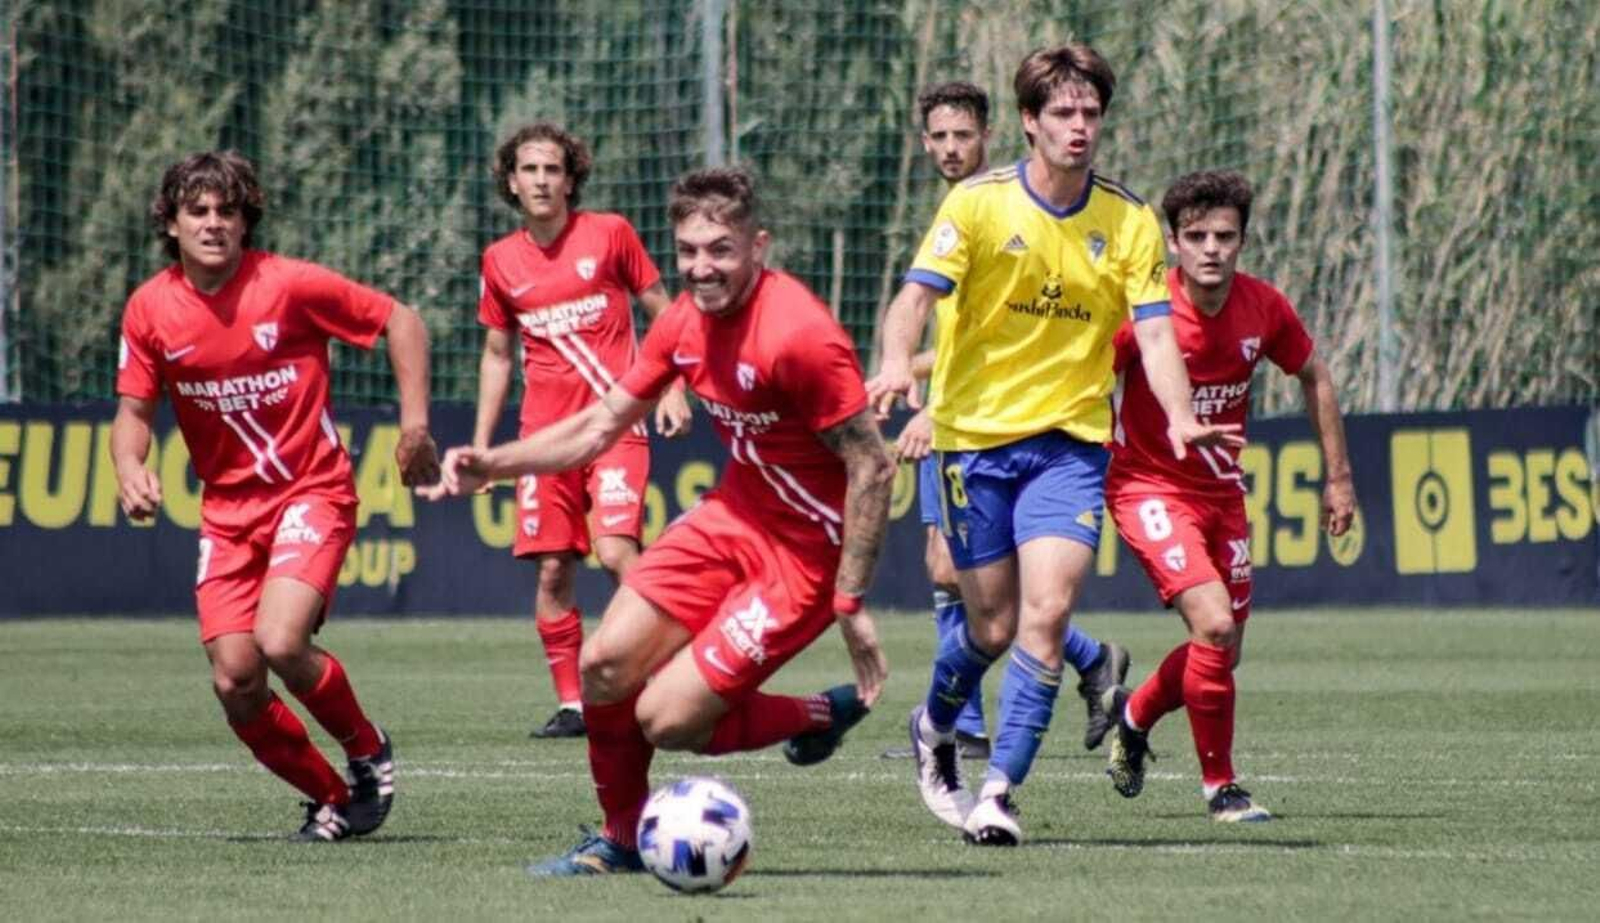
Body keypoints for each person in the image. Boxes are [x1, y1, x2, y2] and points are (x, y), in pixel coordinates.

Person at [421, 167, 894, 875]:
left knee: (668, 720)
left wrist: (849, 601)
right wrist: (496, 463)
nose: (702, 268)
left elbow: (873, 466)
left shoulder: (800, 334)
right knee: (603, 666)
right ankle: (620, 840)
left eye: (721, 250)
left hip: (804, 558)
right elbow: (601, 424)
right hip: (732, 517)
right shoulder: (681, 321)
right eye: (689, 251)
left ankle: (819, 714)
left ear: (757, 245)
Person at [868, 44, 1240, 846]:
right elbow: (913, 299)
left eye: (1091, 113)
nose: (1080, 127)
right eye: (1064, 113)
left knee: (1047, 613)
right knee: (990, 626)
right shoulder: (977, 204)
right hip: (973, 442)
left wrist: (1178, 413)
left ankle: (999, 791)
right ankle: (933, 725)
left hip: (1070, 445)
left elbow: (1156, 333)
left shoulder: (1129, 220)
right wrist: (897, 362)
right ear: (1030, 122)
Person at [111, 150, 440, 842]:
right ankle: (333, 799)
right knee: (235, 680)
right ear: (170, 222)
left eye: (226, 211)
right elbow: (133, 413)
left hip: (311, 490)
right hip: (228, 514)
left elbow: (401, 320)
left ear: (245, 221)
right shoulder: (149, 308)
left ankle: (367, 749)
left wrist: (415, 427)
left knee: (281, 639)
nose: (213, 223)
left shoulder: (287, 285)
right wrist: (128, 465)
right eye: (197, 211)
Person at [882, 81, 1130, 763]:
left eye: (964, 135)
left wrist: (933, 406)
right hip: (959, 413)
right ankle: (1085, 663)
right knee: (950, 574)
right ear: (924, 142)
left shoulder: (1001, 205)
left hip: (985, 424)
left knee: (958, 575)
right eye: (940, 136)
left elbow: (1005, 340)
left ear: (992, 135)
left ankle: (967, 724)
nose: (951, 147)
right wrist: (909, 370)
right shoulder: (960, 207)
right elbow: (959, 334)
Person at [1100, 170, 1355, 822]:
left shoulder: (1263, 306)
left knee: (1223, 648)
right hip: (1147, 487)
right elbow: (1081, 377)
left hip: (1223, 495)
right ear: (1173, 242)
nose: (1210, 249)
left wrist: (1339, 478)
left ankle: (1133, 716)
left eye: (1224, 236)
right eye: (1196, 236)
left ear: (1242, 240)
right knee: (1213, 625)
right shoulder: (1145, 312)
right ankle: (1221, 787)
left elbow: (1315, 375)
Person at [477, 123, 692, 740]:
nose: (542, 180)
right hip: (545, 440)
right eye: (530, 170)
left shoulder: (611, 234)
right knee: (552, 571)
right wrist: (486, 449)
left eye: (553, 169)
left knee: (617, 552)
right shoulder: (499, 261)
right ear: (511, 183)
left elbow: (665, 312)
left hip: (615, 424)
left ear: (571, 180)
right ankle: (573, 704)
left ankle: (676, 676)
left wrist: (674, 386)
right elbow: (497, 355)